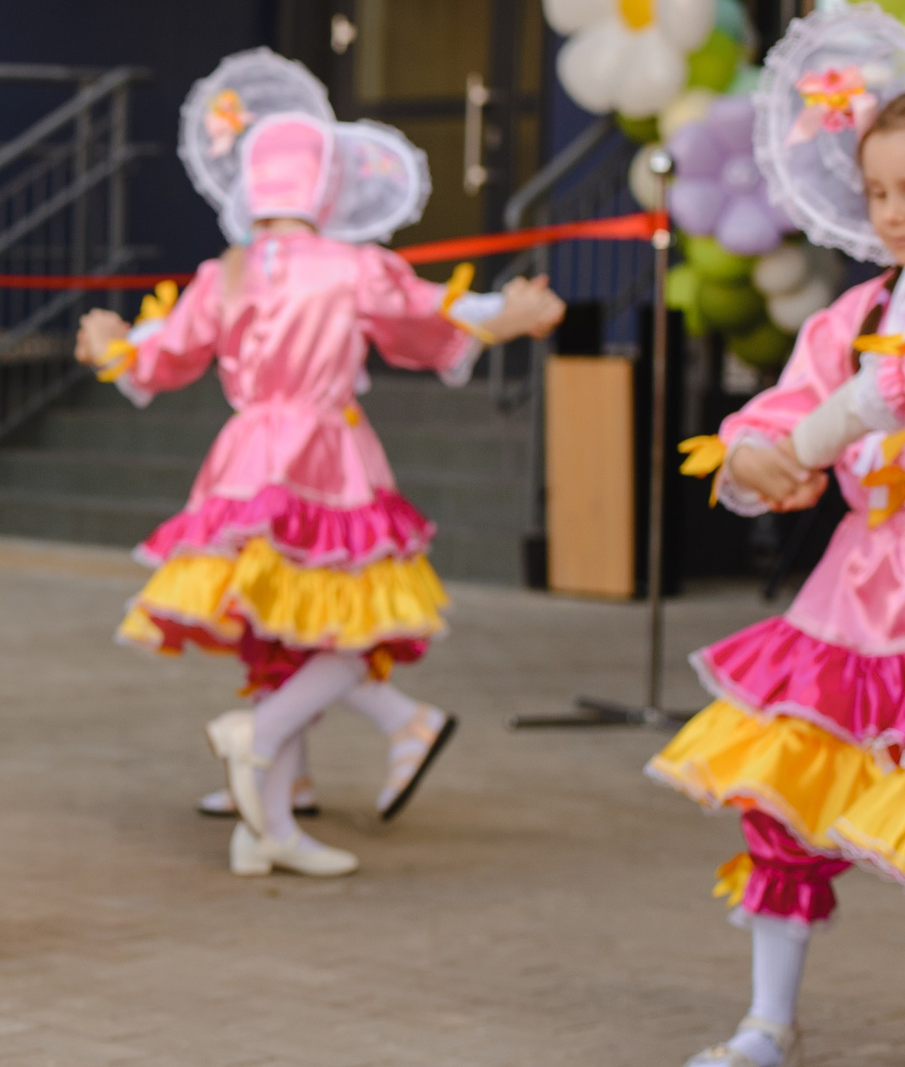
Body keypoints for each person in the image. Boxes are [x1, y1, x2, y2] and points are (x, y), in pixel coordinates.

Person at [75, 49, 560, 877]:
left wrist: (114, 349)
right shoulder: (351, 266)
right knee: (349, 615)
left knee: (277, 613)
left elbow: (162, 352)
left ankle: (269, 817)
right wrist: (504, 317)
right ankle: (260, 742)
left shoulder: (224, 271)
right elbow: (426, 315)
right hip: (327, 453)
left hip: (243, 453)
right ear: (325, 187)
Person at [654, 12, 905, 1067]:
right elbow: (787, 410)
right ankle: (768, 1025)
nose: (892, 212)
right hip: (854, 598)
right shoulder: (855, 314)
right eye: (877, 190)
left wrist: (838, 417)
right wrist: (749, 457)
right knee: (782, 802)